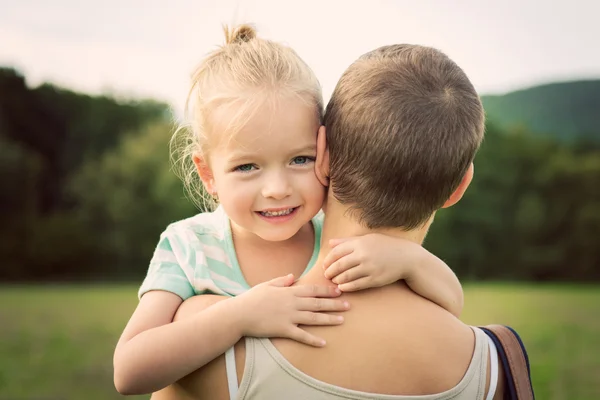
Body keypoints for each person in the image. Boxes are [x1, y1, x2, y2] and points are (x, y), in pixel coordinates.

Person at [113, 25, 465, 396]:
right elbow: (130, 371)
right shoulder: (191, 248)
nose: (278, 190)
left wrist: (411, 259)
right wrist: (240, 317)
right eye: (247, 167)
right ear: (208, 174)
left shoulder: (336, 240)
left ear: (325, 153)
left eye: (300, 159)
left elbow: (451, 306)